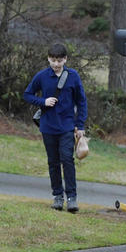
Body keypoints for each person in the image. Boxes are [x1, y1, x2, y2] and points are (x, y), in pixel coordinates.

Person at [23, 43, 87, 212]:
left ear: (65, 59)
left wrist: (80, 125)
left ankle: (72, 198)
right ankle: (57, 197)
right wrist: (43, 101)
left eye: (59, 60)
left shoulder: (73, 76)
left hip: (67, 127)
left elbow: (81, 101)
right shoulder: (42, 76)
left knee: (67, 160)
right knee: (53, 163)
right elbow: (27, 94)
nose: (56, 64)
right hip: (48, 127)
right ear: (48, 59)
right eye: (53, 60)